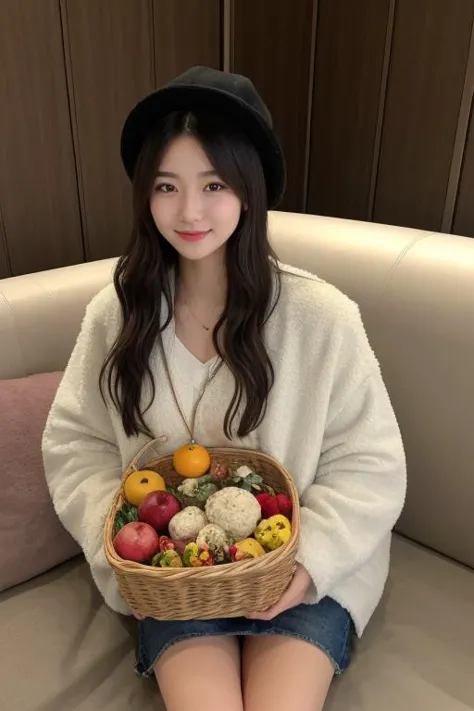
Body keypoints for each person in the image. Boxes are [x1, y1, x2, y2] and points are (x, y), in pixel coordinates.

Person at [42, 66, 406, 711]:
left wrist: (310, 559)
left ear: (249, 191)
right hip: (175, 581)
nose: (189, 212)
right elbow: (76, 440)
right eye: (167, 186)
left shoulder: (321, 318)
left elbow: (369, 460)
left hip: (299, 575)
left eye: (214, 184)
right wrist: (125, 550)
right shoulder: (116, 314)